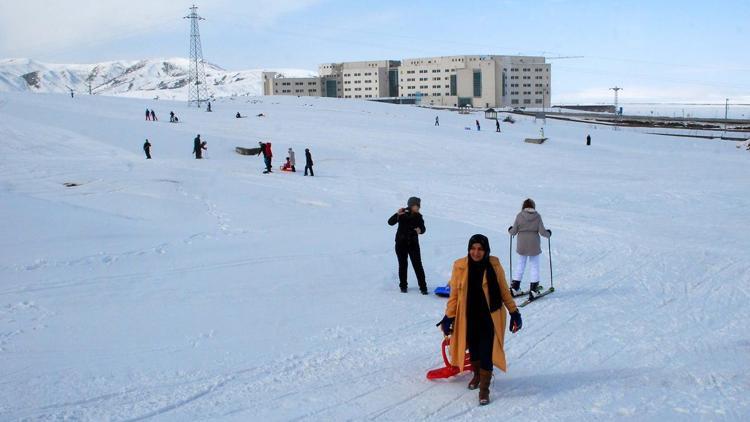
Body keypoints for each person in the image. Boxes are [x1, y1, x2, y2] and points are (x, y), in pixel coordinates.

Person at [437, 234, 522, 406]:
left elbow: (504, 291)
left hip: (490, 316)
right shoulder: (460, 266)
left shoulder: (494, 265)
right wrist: (448, 316)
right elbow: (454, 295)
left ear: (486, 250)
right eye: (473, 248)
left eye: (480, 249)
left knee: (486, 352)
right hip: (468, 317)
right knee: (474, 350)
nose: (476, 253)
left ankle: (484, 389)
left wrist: (514, 312)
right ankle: (477, 375)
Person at [508, 198, 551, 300]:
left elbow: (513, 231)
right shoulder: (537, 216)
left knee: (520, 265)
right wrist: (549, 234)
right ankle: (534, 289)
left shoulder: (519, 216)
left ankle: (515, 288)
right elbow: (542, 232)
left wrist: (510, 230)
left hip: (522, 244)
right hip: (534, 244)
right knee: (534, 266)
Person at [387, 197, 427, 294]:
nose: (418, 207)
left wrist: (420, 230)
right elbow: (390, 222)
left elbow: (423, 228)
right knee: (403, 265)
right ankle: (403, 286)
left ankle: (423, 288)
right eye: (416, 205)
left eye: (419, 205)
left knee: (418, 266)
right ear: (411, 205)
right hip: (401, 244)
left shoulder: (419, 216)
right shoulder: (402, 213)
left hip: (413, 244)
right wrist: (397, 214)